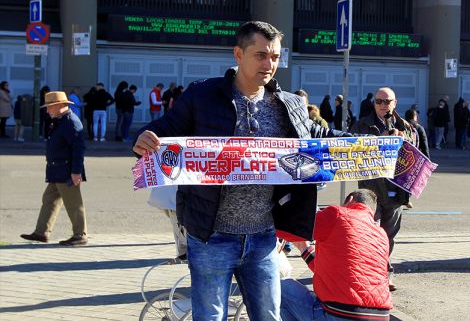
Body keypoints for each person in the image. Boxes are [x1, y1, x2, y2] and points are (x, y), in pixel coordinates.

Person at [133, 21, 351, 321]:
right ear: (238, 54)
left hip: (263, 237)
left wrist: (372, 145)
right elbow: (162, 130)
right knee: (210, 318)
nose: (269, 64)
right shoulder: (202, 95)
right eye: (260, 55)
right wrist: (143, 138)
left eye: (274, 57)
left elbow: (320, 137)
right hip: (211, 236)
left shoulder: (288, 104)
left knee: (269, 317)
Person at [280, 190, 392, 321]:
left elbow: (291, 229)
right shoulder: (381, 234)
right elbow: (333, 272)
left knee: (280, 287)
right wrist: (304, 249)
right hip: (381, 316)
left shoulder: (338, 214)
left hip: (341, 314)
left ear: (350, 200)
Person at [351, 87, 416, 292]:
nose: (382, 105)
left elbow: (415, 153)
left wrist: (402, 141)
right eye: (379, 101)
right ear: (374, 103)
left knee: (388, 236)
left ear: (394, 104)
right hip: (372, 190)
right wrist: (381, 141)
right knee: (370, 235)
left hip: (397, 191)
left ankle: (384, 276)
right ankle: (367, 274)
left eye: (387, 102)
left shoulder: (405, 126)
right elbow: (353, 153)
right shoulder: (362, 125)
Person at [20, 91, 88, 246]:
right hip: (57, 171)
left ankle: (80, 235)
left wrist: (76, 171)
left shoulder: (71, 122)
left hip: (67, 172)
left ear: (61, 106)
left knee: (74, 203)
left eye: (50, 107)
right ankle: (41, 233)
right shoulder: (60, 121)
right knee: (49, 201)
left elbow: (78, 148)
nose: (47, 110)